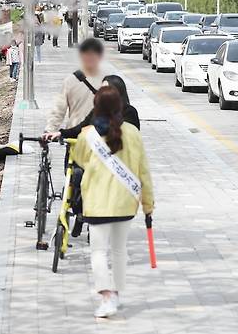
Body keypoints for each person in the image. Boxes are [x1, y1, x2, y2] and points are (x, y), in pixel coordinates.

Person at [69, 86, 154, 318]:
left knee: (98, 251)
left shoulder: (87, 135)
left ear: (96, 107)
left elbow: (79, 160)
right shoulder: (133, 133)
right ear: (120, 107)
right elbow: (143, 172)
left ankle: (106, 296)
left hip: (97, 203)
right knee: (119, 250)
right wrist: (148, 206)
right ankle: (116, 292)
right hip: (126, 203)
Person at [43, 38, 105, 137]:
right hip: (99, 137)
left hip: (76, 135)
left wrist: (49, 131)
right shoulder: (109, 80)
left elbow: (59, 109)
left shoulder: (70, 80)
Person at [57, 74, 140, 139]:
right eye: (101, 90)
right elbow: (81, 128)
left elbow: (129, 136)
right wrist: (61, 133)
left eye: (106, 89)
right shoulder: (97, 110)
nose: (102, 93)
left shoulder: (129, 112)